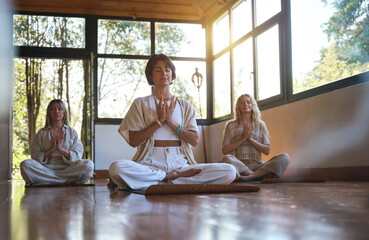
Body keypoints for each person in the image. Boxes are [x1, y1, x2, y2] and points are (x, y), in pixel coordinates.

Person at [109, 54, 236, 190]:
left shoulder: (184, 105)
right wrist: (158, 122)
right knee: (116, 168)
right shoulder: (141, 103)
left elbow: (194, 141)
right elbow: (133, 141)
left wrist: (170, 121)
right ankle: (168, 177)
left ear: (172, 74)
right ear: (151, 75)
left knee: (229, 171)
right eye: (158, 70)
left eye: (167, 69)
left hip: (180, 163)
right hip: (150, 161)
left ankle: (166, 181)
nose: (164, 73)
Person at [20, 99, 94, 185]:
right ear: (49, 113)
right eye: (53, 109)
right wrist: (52, 148)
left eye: (60, 109)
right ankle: (64, 181)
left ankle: (49, 180)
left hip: (68, 169)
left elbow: (77, 156)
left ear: (64, 112)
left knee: (89, 165)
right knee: (25, 165)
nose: (56, 111)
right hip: (46, 169)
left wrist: (61, 149)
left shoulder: (72, 132)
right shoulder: (42, 133)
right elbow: (35, 157)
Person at [221, 94, 290, 181]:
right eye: (242, 103)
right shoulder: (231, 125)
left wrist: (251, 139)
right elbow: (224, 150)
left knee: (285, 157)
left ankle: (250, 177)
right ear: (238, 107)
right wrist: (243, 138)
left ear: (252, 105)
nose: (245, 104)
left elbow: (267, 150)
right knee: (226, 159)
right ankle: (256, 176)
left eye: (248, 102)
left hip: (258, 166)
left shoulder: (260, 125)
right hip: (240, 166)